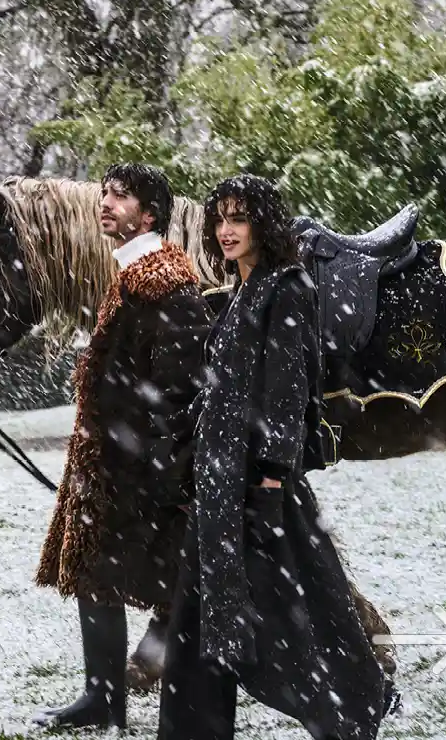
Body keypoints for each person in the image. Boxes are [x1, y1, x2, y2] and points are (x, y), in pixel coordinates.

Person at [158, 173, 386, 740]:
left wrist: (269, 482)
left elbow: (286, 394)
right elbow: (228, 388)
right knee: (195, 617)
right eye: (221, 219)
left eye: (240, 218)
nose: (227, 230)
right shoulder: (241, 289)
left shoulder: (286, 288)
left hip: (258, 484)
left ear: (263, 224)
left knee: (296, 614)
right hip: (217, 482)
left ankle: (347, 711)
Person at [33, 162, 213, 730]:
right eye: (105, 193)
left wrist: (157, 470)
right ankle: (103, 698)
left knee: (166, 581)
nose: (106, 203)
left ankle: (343, 682)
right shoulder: (132, 273)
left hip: (135, 467)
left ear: (151, 214)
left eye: (122, 197)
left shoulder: (163, 284)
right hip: (112, 460)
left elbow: (180, 387)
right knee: (95, 577)